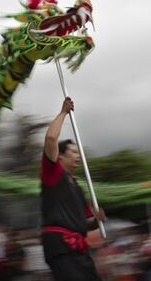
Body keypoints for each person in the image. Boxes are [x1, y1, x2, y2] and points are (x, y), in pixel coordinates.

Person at [41, 97, 105, 281]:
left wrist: (97, 219)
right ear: (60, 156)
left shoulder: (77, 188)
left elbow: (86, 222)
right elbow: (51, 138)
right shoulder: (53, 174)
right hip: (60, 245)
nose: (78, 156)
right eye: (73, 152)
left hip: (78, 247)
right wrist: (63, 112)